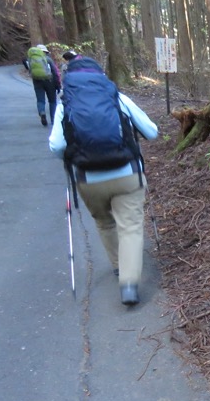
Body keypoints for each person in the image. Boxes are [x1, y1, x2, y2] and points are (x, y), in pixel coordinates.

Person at [48, 58, 158, 306]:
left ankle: (119, 266)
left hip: (89, 178)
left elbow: (56, 145)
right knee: (130, 227)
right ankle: (129, 285)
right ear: (101, 76)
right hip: (127, 174)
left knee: (104, 222)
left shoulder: (66, 103)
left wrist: (72, 157)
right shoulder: (116, 97)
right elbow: (151, 131)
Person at [24, 44, 61, 126]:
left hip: (37, 81)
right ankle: (53, 120)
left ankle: (42, 112)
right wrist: (58, 85)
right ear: (45, 52)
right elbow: (55, 72)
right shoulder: (48, 59)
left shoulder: (31, 59)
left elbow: (28, 68)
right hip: (49, 81)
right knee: (52, 101)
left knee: (40, 100)